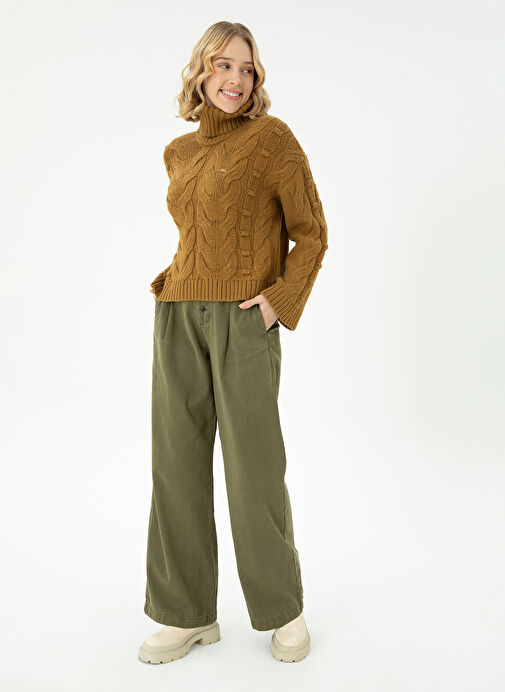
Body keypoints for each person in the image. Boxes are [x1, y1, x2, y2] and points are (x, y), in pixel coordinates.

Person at [138, 20, 328, 665]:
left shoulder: (273, 140)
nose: (236, 79)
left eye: (247, 68)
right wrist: (175, 281)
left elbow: (312, 233)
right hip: (178, 316)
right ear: (201, 71)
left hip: (245, 321)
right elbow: (200, 235)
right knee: (176, 465)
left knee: (254, 468)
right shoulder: (178, 151)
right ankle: (185, 614)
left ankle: (283, 609)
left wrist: (278, 301)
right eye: (223, 65)